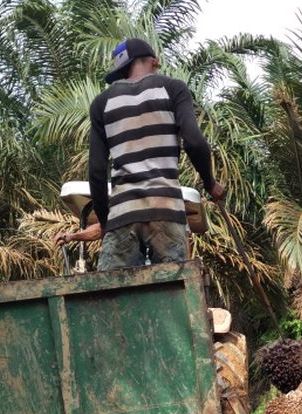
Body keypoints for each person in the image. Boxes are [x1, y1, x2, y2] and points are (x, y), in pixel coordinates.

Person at [55, 38, 225, 268]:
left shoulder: (102, 103)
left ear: (121, 70)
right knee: (174, 293)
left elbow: (96, 172)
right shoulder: (173, 88)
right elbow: (194, 143)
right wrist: (210, 182)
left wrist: (106, 223)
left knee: (112, 293)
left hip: (123, 215)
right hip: (165, 208)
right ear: (154, 62)